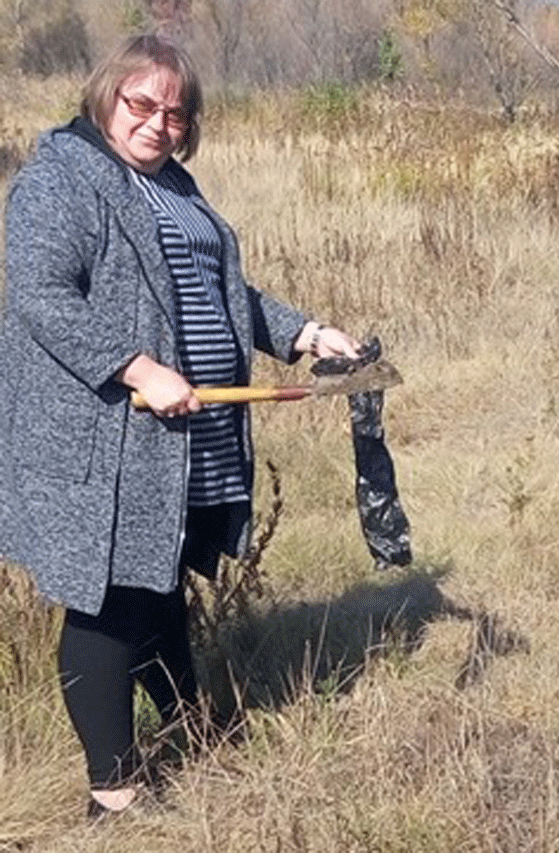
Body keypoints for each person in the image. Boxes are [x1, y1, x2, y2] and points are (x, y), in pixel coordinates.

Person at [0, 34, 361, 819]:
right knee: (109, 599)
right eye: (142, 104)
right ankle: (114, 794)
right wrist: (137, 366)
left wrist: (304, 334)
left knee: (156, 582)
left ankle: (193, 724)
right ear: (106, 97)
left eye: (175, 111)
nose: (158, 123)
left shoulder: (177, 187)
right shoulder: (63, 176)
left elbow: (223, 291)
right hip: (103, 433)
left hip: (181, 433)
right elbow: (40, 293)